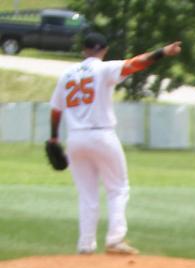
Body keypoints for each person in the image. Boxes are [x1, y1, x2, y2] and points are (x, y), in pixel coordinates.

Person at [48, 32, 183, 255]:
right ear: (104, 50)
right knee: (118, 188)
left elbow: (55, 109)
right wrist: (163, 52)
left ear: (84, 50)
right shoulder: (103, 69)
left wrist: (53, 137)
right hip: (101, 135)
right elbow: (136, 64)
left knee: (87, 194)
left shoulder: (67, 75)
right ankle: (115, 239)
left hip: (75, 139)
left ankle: (85, 244)